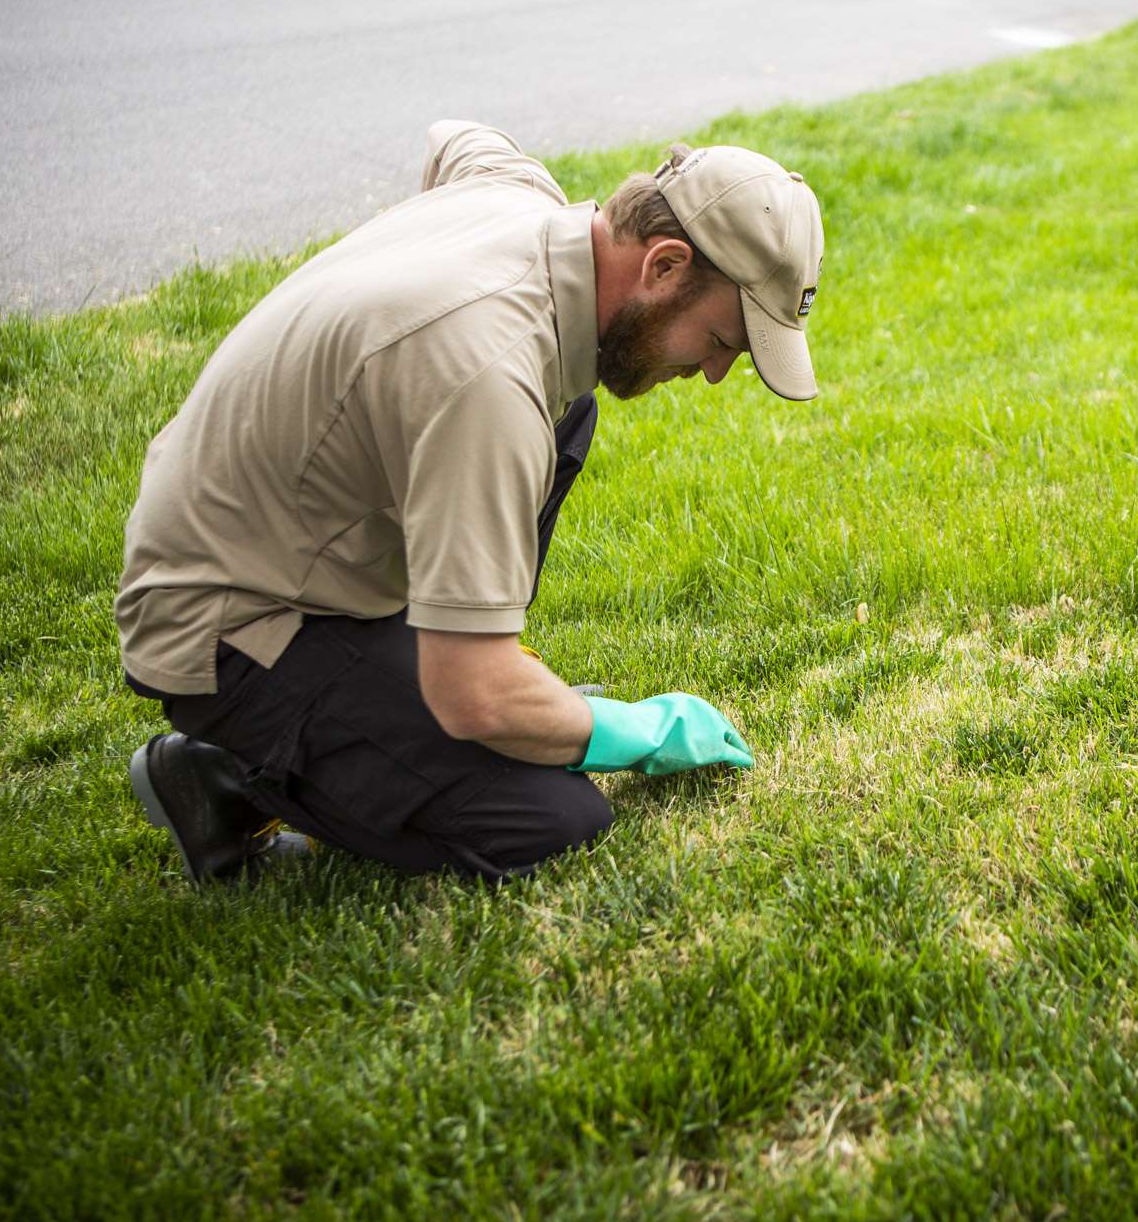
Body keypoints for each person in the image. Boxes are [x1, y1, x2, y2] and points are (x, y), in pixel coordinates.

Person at [115, 121, 825, 883]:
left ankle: (438, 661)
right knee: (550, 820)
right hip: (229, 622)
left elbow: (462, 136)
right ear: (664, 263)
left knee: (569, 407)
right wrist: (638, 730)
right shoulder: (486, 378)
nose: (715, 372)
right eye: (722, 339)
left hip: (289, 540)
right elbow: (474, 700)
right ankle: (219, 774)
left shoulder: (520, 200)